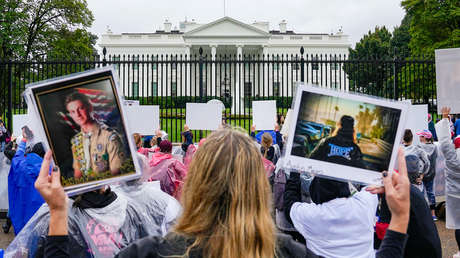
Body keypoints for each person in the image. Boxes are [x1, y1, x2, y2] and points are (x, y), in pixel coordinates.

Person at [38, 128, 409, 258]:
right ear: (257, 187)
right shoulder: (290, 254)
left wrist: (58, 214)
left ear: (196, 182)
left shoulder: (151, 252)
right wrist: (400, 217)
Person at [377, 155, 442, 258]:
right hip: (430, 247)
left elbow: (383, 233)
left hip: (419, 251)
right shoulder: (410, 188)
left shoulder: (391, 191)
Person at [65, 92, 126, 179]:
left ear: (90, 107)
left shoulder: (110, 137)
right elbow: (78, 173)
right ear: (71, 115)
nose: (77, 114)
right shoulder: (76, 140)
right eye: (73, 112)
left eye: (81, 108)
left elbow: (116, 173)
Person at [7, 128, 45, 234]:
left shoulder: (20, 165)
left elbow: (17, 156)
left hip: (23, 220)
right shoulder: (51, 171)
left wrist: (24, 139)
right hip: (43, 220)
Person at [436, 107, 460, 258]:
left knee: (459, 226)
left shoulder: (452, 157)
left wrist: (445, 119)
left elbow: (444, 142)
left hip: (456, 196)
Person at [416, 129, 439, 220]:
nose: (419, 137)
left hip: (421, 174)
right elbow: (435, 157)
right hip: (431, 173)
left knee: (420, 193)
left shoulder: (419, 147)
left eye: (421, 136)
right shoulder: (435, 147)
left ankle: (422, 214)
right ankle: (433, 214)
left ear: (424, 137)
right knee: (430, 193)